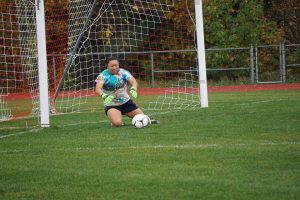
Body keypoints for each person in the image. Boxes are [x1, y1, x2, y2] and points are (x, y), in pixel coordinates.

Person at [95, 57, 145, 127]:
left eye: (116, 65)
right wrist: (104, 96)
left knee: (143, 117)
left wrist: (134, 88)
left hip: (126, 102)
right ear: (107, 66)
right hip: (112, 105)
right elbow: (98, 89)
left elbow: (133, 81)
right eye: (112, 66)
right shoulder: (103, 75)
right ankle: (114, 120)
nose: (114, 67)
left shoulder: (123, 72)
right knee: (117, 123)